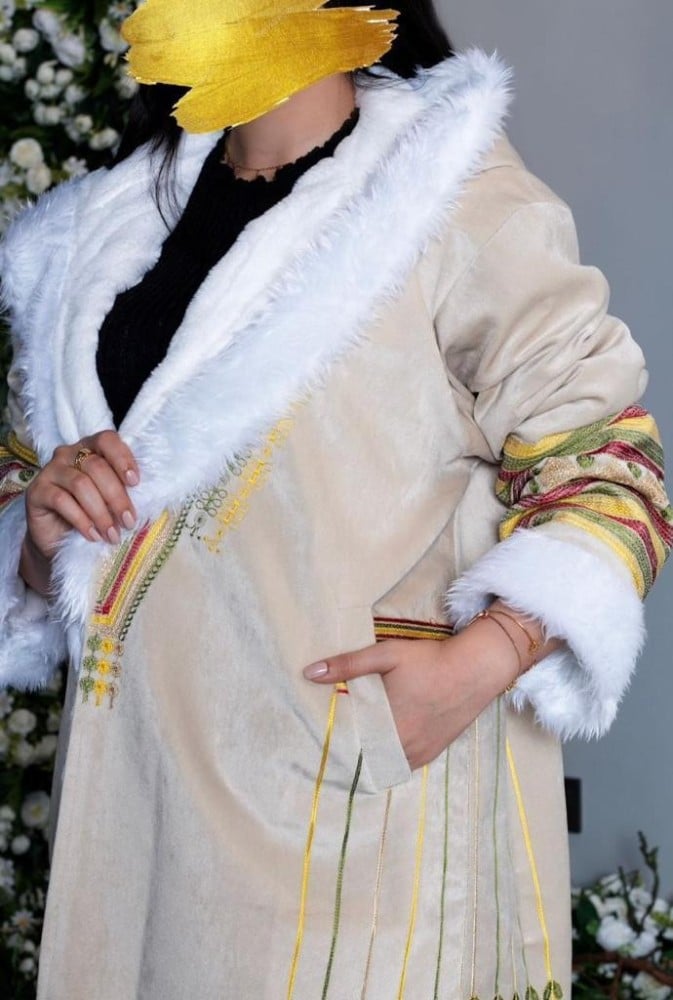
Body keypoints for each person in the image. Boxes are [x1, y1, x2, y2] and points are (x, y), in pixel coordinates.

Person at [0, 1, 670, 997]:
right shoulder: (97, 233)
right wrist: (34, 533)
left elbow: (611, 468)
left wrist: (481, 661)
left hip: (349, 825)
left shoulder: (452, 195)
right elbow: (29, 481)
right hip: (134, 814)